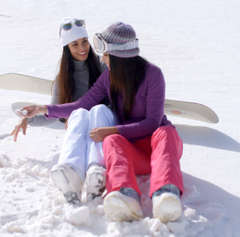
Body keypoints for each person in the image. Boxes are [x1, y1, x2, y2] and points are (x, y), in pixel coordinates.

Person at [17, 22, 185, 223]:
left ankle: (165, 195)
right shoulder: (109, 77)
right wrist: (43, 109)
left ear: (117, 56)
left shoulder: (153, 74)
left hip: (159, 147)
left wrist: (112, 129)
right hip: (135, 153)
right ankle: (125, 196)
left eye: (105, 54)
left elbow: (152, 123)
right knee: (112, 141)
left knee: (163, 132)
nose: (102, 59)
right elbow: (82, 104)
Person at [10, 18, 112, 204]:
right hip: (80, 124)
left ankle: (96, 171)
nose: (82, 48)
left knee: (96, 110)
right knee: (79, 114)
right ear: (67, 48)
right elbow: (55, 112)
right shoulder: (63, 80)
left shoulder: (102, 65)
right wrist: (30, 120)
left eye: (84, 42)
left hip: (103, 121)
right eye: (75, 44)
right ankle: (70, 170)